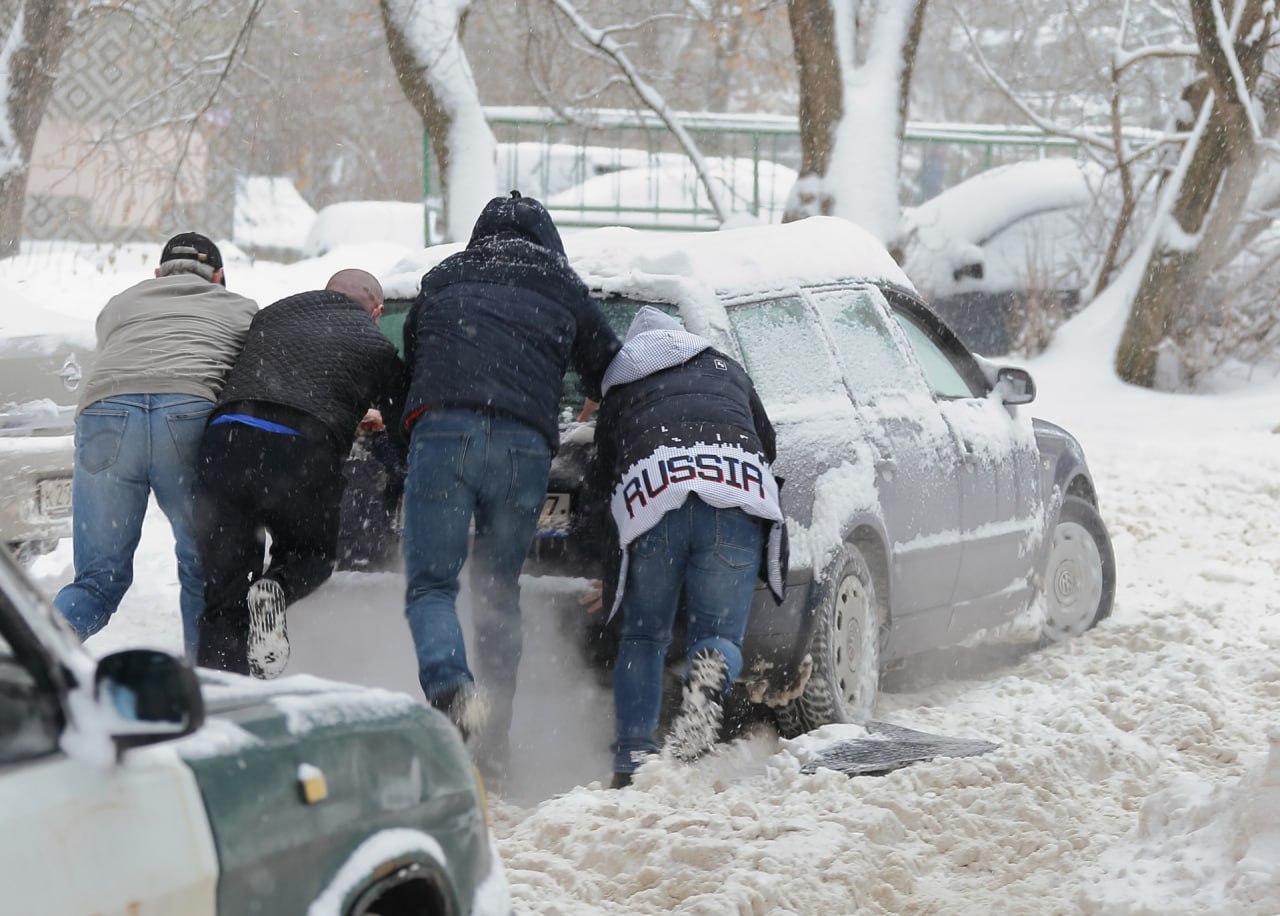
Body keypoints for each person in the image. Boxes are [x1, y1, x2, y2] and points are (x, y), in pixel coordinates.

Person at [400, 192, 620, 770]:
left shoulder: (443, 277)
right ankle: (495, 743)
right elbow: (608, 364)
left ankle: (451, 687)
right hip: (524, 446)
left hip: (443, 431)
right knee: (498, 588)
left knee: (431, 585)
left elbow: (414, 359)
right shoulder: (562, 282)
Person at [586, 306, 787, 789]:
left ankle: (632, 758)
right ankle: (709, 669)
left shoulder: (623, 385)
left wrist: (604, 567)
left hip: (655, 497)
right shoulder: (727, 369)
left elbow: (601, 481)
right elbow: (767, 443)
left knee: (643, 636)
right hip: (734, 493)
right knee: (718, 633)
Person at [194, 269, 406, 678]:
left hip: (226, 440)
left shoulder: (273, 314)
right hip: (301, 447)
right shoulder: (375, 344)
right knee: (311, 554)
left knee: (223, 593)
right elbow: (402, 426)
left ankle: (221, 698)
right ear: (377, 311)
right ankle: (276, 586)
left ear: (326, 291)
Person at [54, 232, 258, 659]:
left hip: (106, 413)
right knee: (201, 566)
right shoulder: (240, 308)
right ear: (218, 276)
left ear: (157, 273)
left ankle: (26, 658)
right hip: (186, 414)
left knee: (97, 578)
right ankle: (207, 681)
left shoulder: (121, 303)